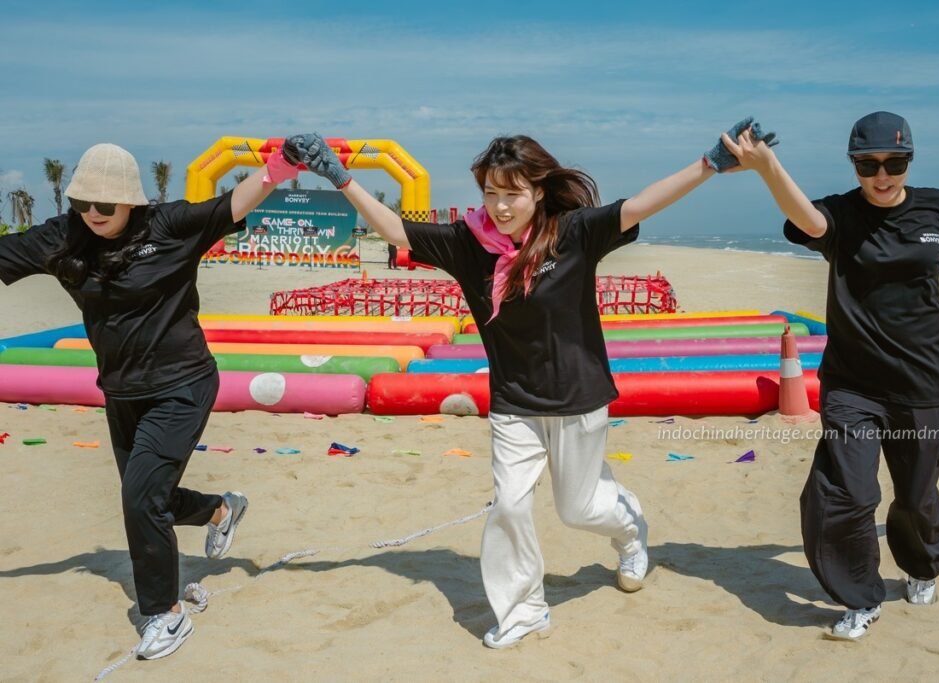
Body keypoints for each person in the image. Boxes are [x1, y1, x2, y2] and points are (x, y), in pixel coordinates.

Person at [284, 124, 768, 647]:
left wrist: (709, 163)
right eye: (490, 193)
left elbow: (640, 205)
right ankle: (524, 611)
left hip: (578, 398)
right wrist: (339, 176)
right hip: (513, 404)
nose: (500, 206)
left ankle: (631, 530)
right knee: (510, 506)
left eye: (512, 193)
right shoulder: (468, 244)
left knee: (579, 510)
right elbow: (398, 232)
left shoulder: (574, 232)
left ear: (538, 191)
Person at [723, 111, 939, 640]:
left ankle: (922, 565)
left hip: (924, 381)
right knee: (847, 493)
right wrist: (768, 167)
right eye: (868, 165)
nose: (882, 175)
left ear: (910, 160)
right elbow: (807, 222)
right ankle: (860, 597)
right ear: (853, 164)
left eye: (894, 163)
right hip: (852, 384)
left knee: (917, 492)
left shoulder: (937, 207)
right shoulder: (839, 215)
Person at [0, 141, 305, 659]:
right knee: (147, 497)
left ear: (129, 200)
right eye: (82, 202)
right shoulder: (64, 236)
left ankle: (166, 613)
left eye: (104, 204)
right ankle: (220, 510)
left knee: (141, 499)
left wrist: (283, 165)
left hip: (182, 385)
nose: (92, 213)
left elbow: (232, 203)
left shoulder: (168, 226)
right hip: (121, 392)